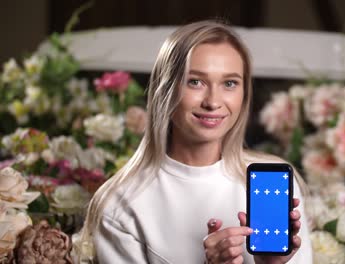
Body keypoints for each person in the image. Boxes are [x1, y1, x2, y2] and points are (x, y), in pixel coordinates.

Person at [74, 20, 313, 263]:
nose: (212, 101)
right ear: (165, 90)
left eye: (229, 83)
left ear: (244, 94)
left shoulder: (275, 183)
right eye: (195, 81)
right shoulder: (122, 204)